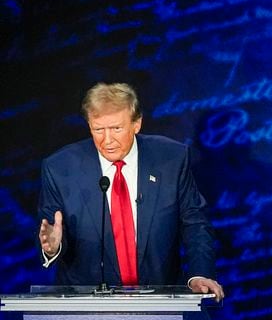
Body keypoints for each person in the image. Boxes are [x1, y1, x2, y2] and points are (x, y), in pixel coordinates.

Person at [37, 82, 224, 299]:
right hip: (88, 306)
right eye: (98, 129)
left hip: (160, 299)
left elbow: (195, 222)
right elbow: (49, 231)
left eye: (116, 128)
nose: (107, 140)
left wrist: (199, 274)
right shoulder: (60, 168)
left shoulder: (171, 158)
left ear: (136, 123)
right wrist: (52, 247)